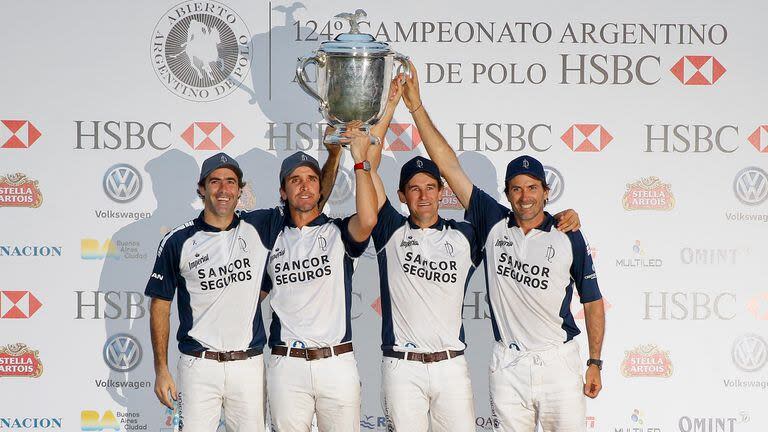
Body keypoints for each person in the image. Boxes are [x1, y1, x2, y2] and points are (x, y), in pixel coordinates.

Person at [366, 78, 583, 432]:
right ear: (402, 196)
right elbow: (368, 170)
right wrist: (391, 106)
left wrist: (417, 107)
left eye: (431, 188)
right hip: (401, 366)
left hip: (452, 367)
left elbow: (450, 166)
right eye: (415, 189)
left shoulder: (470, 233)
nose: (424, 196)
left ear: (441, 193)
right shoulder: (390, 229)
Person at [144, 149, 340, 432]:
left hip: (248, 365)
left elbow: (310, 199)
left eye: (231, 182)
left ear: (240, 190)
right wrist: (161, 369)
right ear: (201, 189)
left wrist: (335, 155)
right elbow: (160, 304)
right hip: (198, 366)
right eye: (215, 181)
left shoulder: (259, 225)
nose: (223, 189)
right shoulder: (178, 240)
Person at [261, 133, 378, 431]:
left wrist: (359, 160)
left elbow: (367, 220)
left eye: (312, 179)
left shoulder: (337, 233)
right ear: (283, 191)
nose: (304, 185)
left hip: (336, 362)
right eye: (295, 179)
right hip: (286, 364)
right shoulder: (268, 238)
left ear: (320, 187)